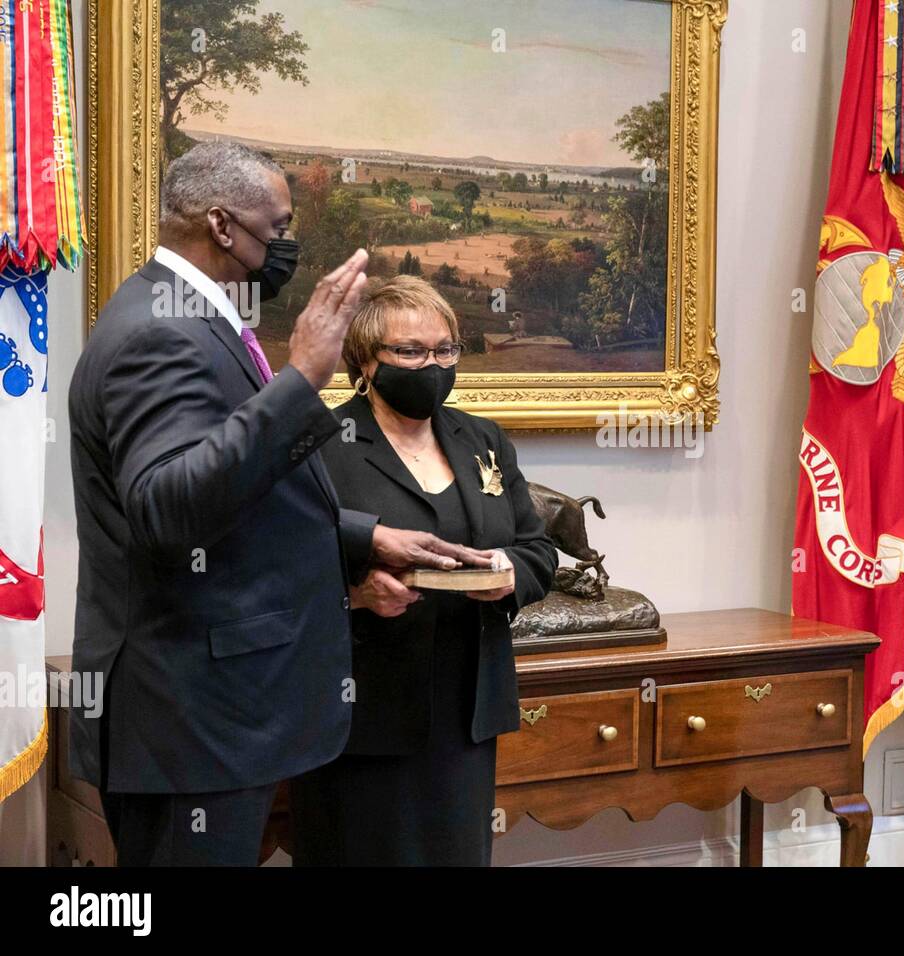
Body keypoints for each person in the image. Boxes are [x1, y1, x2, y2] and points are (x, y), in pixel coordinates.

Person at [67, 142, 490, 866]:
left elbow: (243, 498)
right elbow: (169, 509)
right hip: (190, 720)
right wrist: (303, 376)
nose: (288, 243)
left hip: (212, 715)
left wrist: (361, 538)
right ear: (223, 226)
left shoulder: (193, 316)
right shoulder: (162, 332)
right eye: (280, 225)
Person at [289, 276, 557, 866]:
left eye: (445, 350)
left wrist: (507, 573)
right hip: (359, 715)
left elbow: (538, 550)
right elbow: (280, 558)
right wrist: (356, 594)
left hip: (466, 714)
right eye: (410, 352)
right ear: (365, 360)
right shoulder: (323, 441)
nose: (431, 365)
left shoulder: (481, 438)